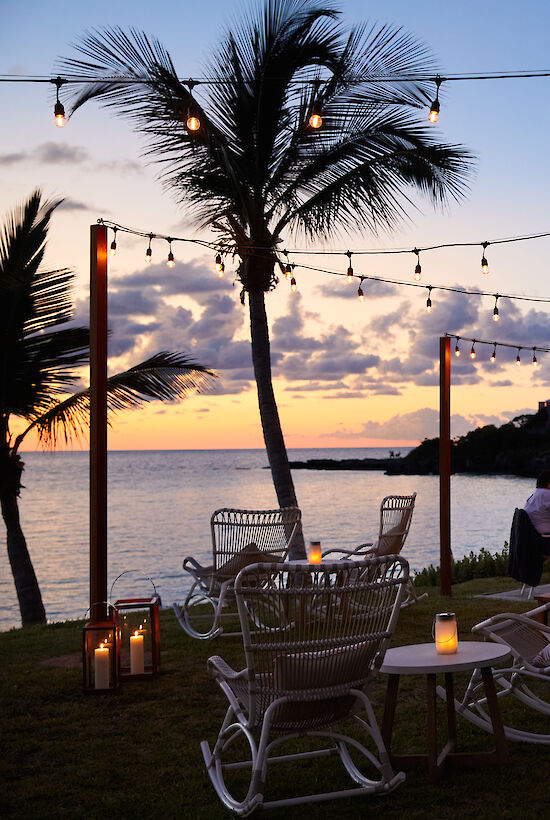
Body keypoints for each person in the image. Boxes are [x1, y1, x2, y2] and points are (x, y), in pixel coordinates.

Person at [524, 471, 550, 542]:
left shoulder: (534, 496)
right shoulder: (546, 494)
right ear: (549, 484)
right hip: (545, 539)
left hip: (534, 538)